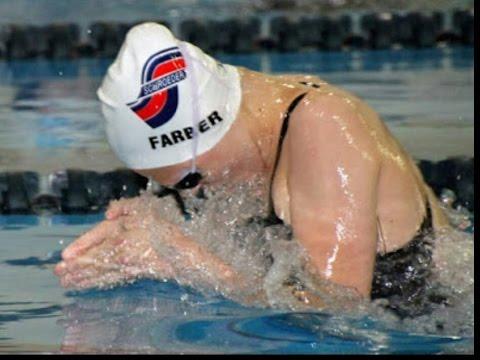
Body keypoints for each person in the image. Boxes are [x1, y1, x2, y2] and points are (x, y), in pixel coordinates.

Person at [54, 23, 450, 313]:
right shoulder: (253, 118)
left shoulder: (325, 127)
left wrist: (185, 260)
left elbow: (335, 317)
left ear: (215, 130)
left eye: (190, 180)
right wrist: (146, 231)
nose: (194, 195)